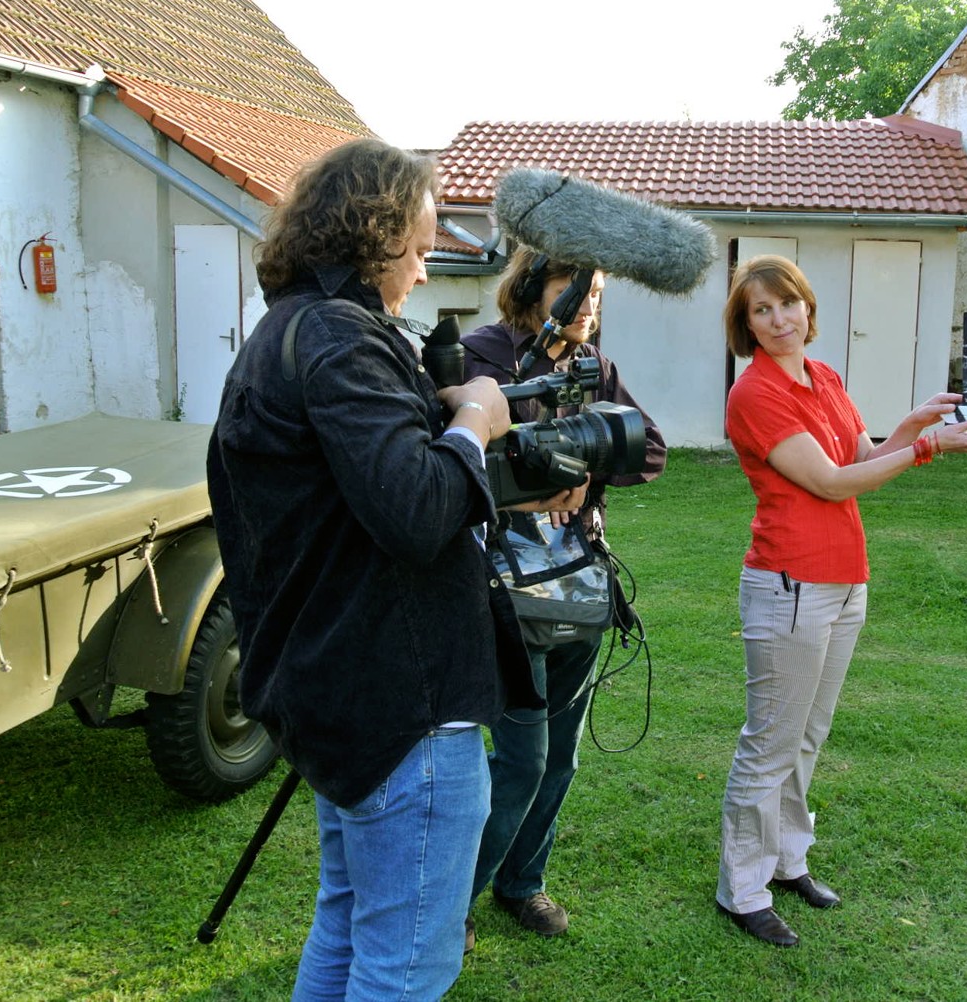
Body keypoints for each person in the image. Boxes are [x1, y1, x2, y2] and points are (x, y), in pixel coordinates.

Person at [207, 138, 579, 1000]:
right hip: (395, 701)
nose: (420, 269)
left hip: (333, 686)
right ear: (369, 236)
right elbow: (414, 512)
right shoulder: (341, 337)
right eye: (412, 249)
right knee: (405, 961)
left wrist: (435, 415)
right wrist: (473, 423)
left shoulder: (290, 329)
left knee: (348, 923)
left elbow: (358, 491)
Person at [714, 255, 967, 947]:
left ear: (808, 307)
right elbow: (833, 483)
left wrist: (908, 427)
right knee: (769, 743)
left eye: (788, 304)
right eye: (762, 311)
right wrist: (925, 450)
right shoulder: (755, 394)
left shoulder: (822, 375)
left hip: (843, 580)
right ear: (744, 325)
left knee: (806, 736)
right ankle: (740, 889)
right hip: (789, 583)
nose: (780, 320)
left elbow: (857, 453)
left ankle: (786, 862)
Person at [459, 248, 667, 943]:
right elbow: (453, 459)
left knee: (563, 754)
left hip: (578, 579)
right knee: (522, 758)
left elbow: (653, 449)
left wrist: (585, 465)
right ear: (530, 288)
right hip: (503, 588)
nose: (588, 305)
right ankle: (455, 900)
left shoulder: (594, 368)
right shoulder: (480, 355)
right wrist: (528, 466)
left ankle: (522, 883)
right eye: (574, 290)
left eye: (599, 294)